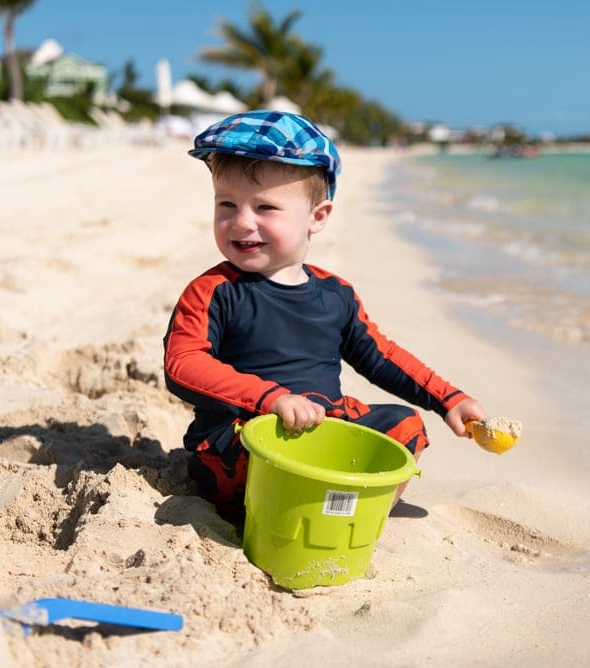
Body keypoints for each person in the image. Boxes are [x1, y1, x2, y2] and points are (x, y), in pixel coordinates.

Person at [163, 110, 484, 523]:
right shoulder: (213, 291)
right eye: (227, 204)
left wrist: (448, 399)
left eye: (265, 207)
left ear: (317, 217)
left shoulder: (336, 294)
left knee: (404, 426)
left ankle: (357, 513)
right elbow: (183, 364)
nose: (242, 222)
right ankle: (305, 509)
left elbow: (381, 357)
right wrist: (270, 399)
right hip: (244, 438)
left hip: (324, 427)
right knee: (253, 453)